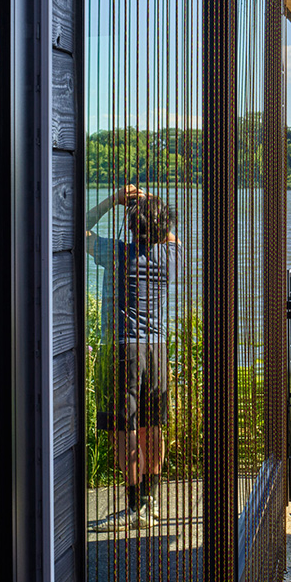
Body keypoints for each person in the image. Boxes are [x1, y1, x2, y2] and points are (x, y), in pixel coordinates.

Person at [86, 184, 181, 531]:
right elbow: (172, 235)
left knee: (121, 428)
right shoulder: (170, 256)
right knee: (151, 425)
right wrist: (150, 204)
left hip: (121, 349)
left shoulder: (116, 253)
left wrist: (114, 199)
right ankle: (150, 502)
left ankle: (134, 506)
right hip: (156, 348)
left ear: (130, 226)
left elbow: (77, 226)